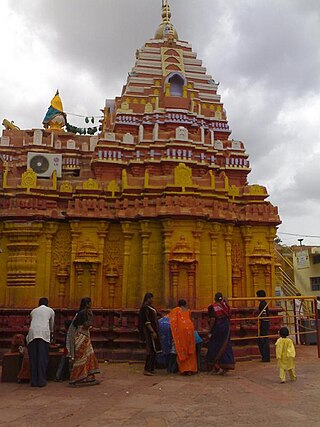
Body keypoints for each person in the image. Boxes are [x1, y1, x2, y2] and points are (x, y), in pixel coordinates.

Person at [67, 297, 100, 386]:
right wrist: (91, 317)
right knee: (82, 357)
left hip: (82, 336)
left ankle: (87, 376)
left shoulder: (81, 313)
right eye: (90, 303)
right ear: (87, 304)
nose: (91, 304)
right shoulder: (84, 313)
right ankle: (78, 377)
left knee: (87, 355)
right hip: (82, 336)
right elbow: (85, 325)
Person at [26, 297, 55, 387]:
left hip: (32, 334)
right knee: (42, 358)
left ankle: (34, 381)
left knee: (33, 359)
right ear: (47, 303)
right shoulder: (50, 311)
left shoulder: (33, 311)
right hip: (43, 335)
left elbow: (32, 322)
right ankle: (41, 381)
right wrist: (52, 335)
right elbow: (51, 325)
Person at [207, 292, 235, 375]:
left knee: (214, 346)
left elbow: (212, 320)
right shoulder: (225, 306)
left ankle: (216, 366)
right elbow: (229, 315)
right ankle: (225, 366)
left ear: (215, 298)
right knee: (226, 346)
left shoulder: (213, 307)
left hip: (218, 329)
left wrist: (209, 331)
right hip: (226, 328)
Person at [168, 299, 197, 375]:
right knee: (190, 350)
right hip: (190, 330)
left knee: (182, 348)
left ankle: (184, 369)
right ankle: (190, 369)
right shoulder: (188, 310)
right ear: (185, 304)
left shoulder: (176, 310)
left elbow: (171, 321)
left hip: (181, 332)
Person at [139, 292, 161, 376]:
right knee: (150, 349)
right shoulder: (144, 308)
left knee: (154, 350)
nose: (152, 300)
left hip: (153, 330)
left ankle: (151, 368)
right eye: (151, 298)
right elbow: (146, 321)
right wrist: (152, 331)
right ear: (148, 298)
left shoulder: (150, 308)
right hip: (149, 332)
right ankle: (147, 369)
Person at [256, 289, 270, 362]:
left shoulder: (262, 304)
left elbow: (263, 314)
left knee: (263, 339)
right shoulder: (264, 303)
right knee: (264, 339)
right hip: (265, 322)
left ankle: (265, 356)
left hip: (264, 323)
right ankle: (265, 356)